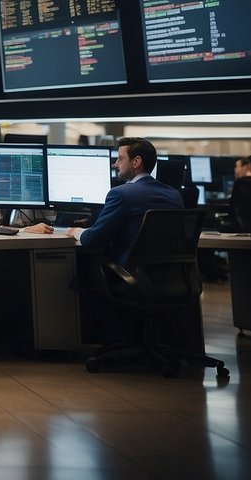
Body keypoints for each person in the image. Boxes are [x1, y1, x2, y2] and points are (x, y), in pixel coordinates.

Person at [67, 137, 184, 345]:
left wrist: (76, 231)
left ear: (136, 161)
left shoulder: (120, 194)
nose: (115, 164)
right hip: (173, 277)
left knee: (83, 276)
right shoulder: (174, 195)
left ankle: (120, 339)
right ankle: (139, 340)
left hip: (133, 278)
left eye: (120, 159)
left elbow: (93, 239)